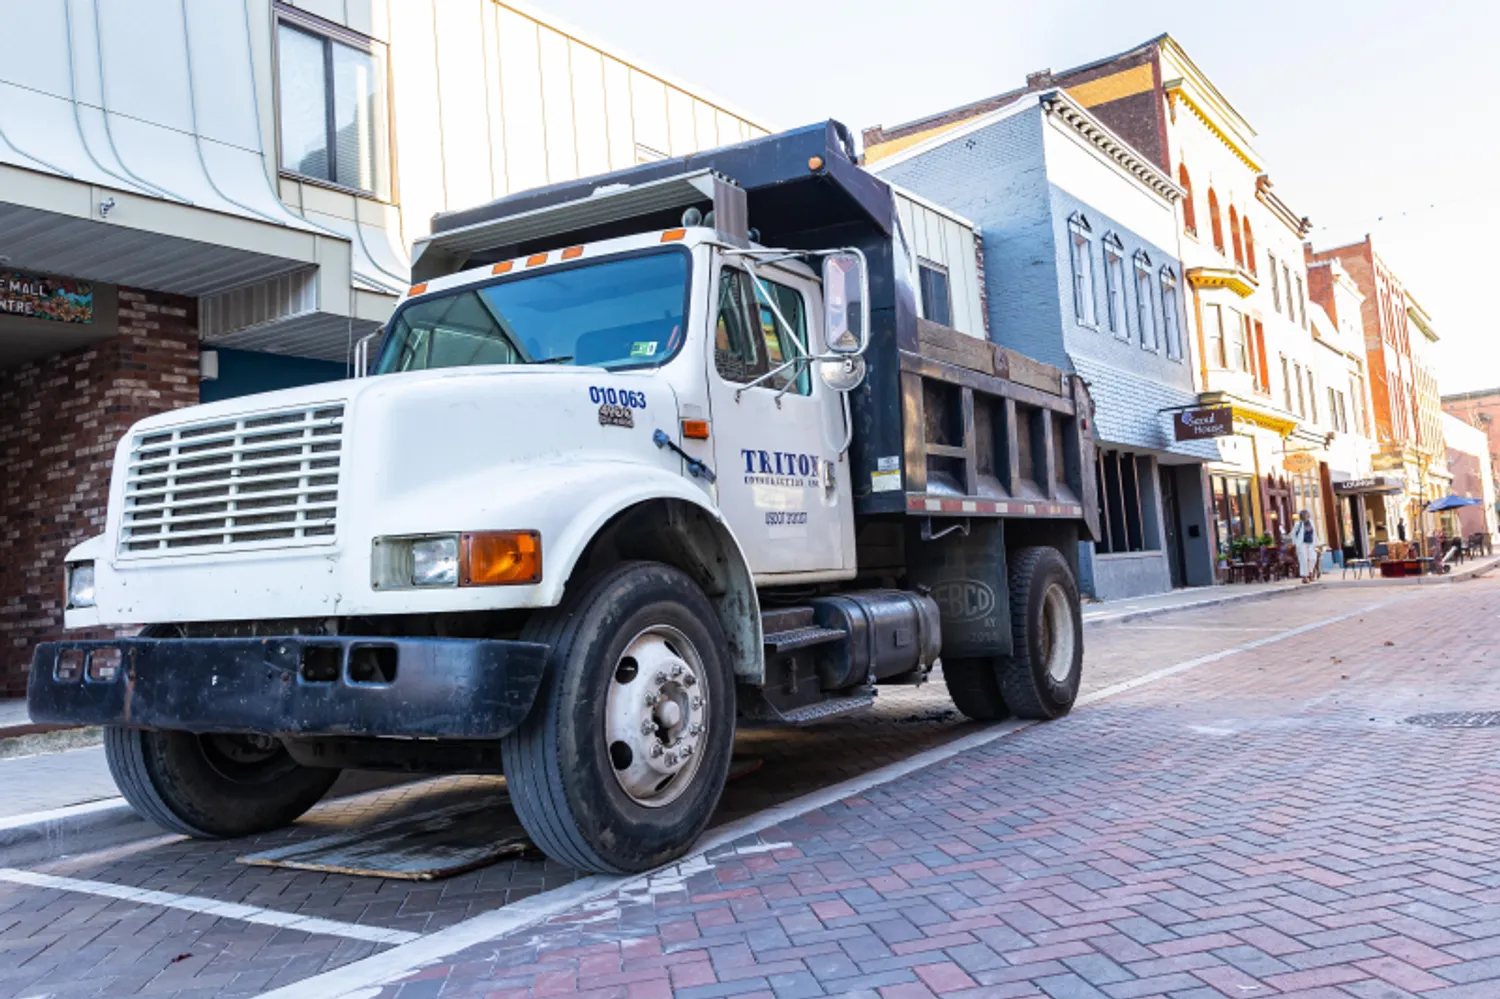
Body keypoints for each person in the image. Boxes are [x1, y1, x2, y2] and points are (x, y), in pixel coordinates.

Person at [1290, 508, 1318, 583]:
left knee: (1313, 558)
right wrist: (1296, 543)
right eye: (1306, 514)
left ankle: (1310, 573)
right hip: (1302, 544)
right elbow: (1293, 534)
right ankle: (1305, 577)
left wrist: (1316, 543)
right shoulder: (1298, 524)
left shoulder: (1311, 523)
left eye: (1307, 514)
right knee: (1303, 560)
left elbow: (1314, 533)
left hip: (1310, 543)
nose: (1307, 515)